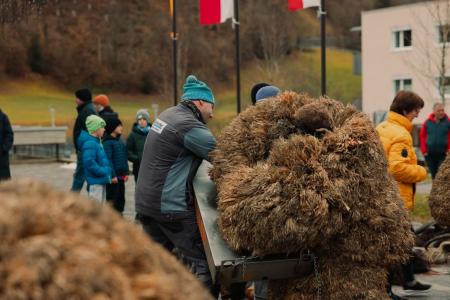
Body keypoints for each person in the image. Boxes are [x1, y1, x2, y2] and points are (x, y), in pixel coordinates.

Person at [135, 75, 217, 294]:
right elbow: (224, 156)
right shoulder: (188, 125)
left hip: (146, 204)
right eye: (211, 105)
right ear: (200, 102)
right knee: (205, 266)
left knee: (153, 266)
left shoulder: (168, 115)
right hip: (169, 207)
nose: (213, 112)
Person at [376, 90, 431, 298]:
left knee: (406, 239)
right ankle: (387, 289)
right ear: (406, 110)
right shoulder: (401, 134)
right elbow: (397, 168)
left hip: (384, 194)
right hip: (397, 198)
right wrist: (421, 171)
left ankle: (408, 279)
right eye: (416, 110)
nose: (418, 115)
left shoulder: (382, 126)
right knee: (394, 244)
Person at [78, 115, 111, 203]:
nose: (104, 129)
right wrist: (102, 171)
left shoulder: (97, 142)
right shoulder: (90, 143)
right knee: (95, 209)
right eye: (102, 127)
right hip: (96, 182)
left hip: (100, 180)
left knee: (101, 208)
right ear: (96, 128)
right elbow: (89, 162)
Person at [71, 88, 97, 192]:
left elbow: (92, 130)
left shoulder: (88, 110)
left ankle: (71, 200)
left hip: (86, 149)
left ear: (82, 99)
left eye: (77, 98)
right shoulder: (86, 109)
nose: (75, 100)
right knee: (83, 175)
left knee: (80, 176)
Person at [103, 118, 129, 214]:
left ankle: (120, 218)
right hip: (113, 178)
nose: (121, 127)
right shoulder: (107, 143)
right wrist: (112, 175)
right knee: (112, 200)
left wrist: (126, 172)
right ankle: (112, 220)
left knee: (121, 199)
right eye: (119, 125)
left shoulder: (119, 141)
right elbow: (108, 160)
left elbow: (124, 157)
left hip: (121, 177)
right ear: (112, 127)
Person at [419, 102, 450, 179]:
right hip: (430, 155)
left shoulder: (448, 122)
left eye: (442, 110)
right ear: (434, 111)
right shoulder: (427, 122)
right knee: (434, 175)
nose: (441, 112)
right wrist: (424, 151)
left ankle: (441, 191)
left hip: (443, 155)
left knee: (441, 175)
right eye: (439, 111)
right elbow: (422, 136)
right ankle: (434, 191)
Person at [127, 109, 151, 182]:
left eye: (144, 119)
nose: (142, 121)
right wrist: (139, 159)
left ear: (147, 120)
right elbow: (128, 152)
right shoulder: (132, 135)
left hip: (151, 168)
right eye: (139, 119)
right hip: (138, 168)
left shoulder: (153, 133)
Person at [0, 109, 14, 181]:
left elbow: (9, 134)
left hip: (1, 157)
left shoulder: (3, 117)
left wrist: (4, 148)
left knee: (4, 184)